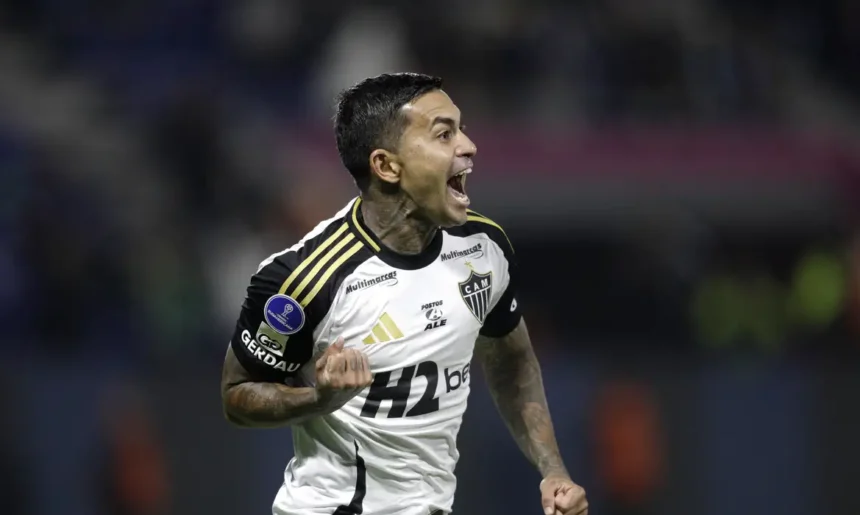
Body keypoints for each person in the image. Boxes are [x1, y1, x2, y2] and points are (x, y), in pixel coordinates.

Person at [220, 72, 588, 515]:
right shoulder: (304, 278)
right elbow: (238, 395)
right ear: (387, 166)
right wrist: (319, 399)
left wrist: (553, 471)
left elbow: (512, 361)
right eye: (444, 134)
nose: (469, 146)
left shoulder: (482, 247)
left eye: (462, 129)